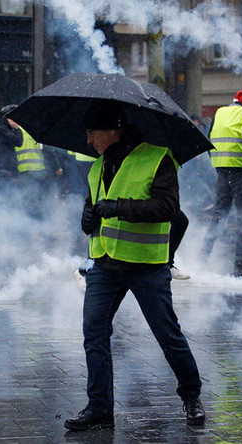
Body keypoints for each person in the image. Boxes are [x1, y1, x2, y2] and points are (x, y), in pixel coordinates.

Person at [64, 100, 204, 431]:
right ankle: (99, 408)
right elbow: (91, 210)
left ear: (113, 130)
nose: (88, 140)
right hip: (104, 265)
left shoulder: (157, 158)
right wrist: (87, 218)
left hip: (146, 265)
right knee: (94, 333)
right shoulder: (97, 167)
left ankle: (191, 395)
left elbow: (169, 208)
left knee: (167, 334)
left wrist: (118, 207)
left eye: (92, 133)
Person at [201, 90, 242, 276]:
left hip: (221, 169)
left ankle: (203, 254)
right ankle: (241, 261)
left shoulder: (220, 112)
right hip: (239, 170)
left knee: (219, 212)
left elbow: (209, 138)